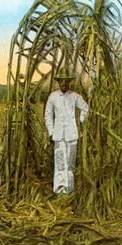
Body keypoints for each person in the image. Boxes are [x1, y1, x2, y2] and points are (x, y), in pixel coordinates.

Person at [44, 67, 89, 195]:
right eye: (61, 81)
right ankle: (59, 191)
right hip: (58, 135)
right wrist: (51, 132)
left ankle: (69, 191)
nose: (64, 83)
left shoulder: (75, 97)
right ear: (58, 82)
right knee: (59, 164)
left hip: (72, 135)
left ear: (69, 82)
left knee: (70, 164)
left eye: (66, 81)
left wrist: (80, 121)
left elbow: (86, 108)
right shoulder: (53, 97)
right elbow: (48, 115)